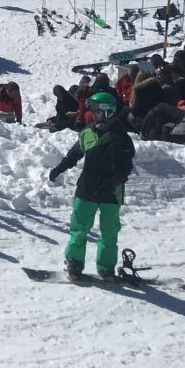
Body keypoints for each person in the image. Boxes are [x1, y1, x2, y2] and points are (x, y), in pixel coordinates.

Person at [48, 89, 136, 281]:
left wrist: (110, 183)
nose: (92, 115)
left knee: (109, 232)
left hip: (111, 192)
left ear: (108, 112)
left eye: (96, 112)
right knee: (79, 229)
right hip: (86, 189)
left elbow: (125, 168)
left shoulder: (122, 138)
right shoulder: (88, 133)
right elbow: (74, 155)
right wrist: (58, 169)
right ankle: (74, 264)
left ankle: (106, 268)